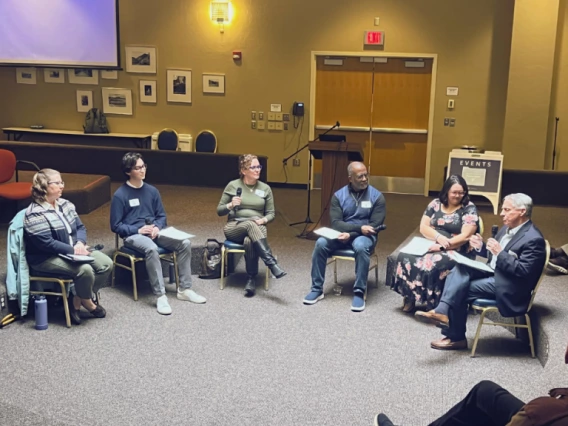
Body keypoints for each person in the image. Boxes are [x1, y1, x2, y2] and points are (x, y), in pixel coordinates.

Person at [415, 193, 546, 350]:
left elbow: (524, 272)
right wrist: (482, 247)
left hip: (511, 286)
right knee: (458, 269)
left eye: (506, 209)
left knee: (460, 287)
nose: (501, 213)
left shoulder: (533, 239)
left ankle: (455, 336)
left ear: (522, 211)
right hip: (496, 273)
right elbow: (494, 256)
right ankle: (443, 312)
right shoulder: (507, 228)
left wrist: (500, 252)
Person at [375, 343, 568, 425]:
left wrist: (500, 258)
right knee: (485, 392)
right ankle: (451, 326)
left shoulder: (540, 411)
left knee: (461, 282)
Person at [110, 152, 206, 315]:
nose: (142, 170)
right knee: (151, 249)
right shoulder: (120, 195)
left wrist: (157, 227)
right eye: (138, 168)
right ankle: (160, 295)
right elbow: (116, 225)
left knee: (185, 243)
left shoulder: (152, 191)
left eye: (143, 166)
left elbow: (161, 216)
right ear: (128, 171)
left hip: (155, 232)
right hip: (134, 235)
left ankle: (184, 289)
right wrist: (138, 230)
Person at [24, 169, 112, 325]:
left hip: (73, 250)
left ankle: (78, 298)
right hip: (46, 258)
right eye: (57, 183)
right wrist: (74, 250)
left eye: (62, 182)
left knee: (106, 264)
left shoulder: (66, 204)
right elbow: (47, 244)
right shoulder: (34, 213)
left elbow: (80, 228)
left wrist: (80, 243)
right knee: (84, 270)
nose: (62, 186)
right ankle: (88, 302)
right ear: (44, 186)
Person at [303, 161, 386, 312]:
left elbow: (374, 225)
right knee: (321, 243)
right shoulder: (338, 196)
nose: (364, 179)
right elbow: (336, 224)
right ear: (350, 178)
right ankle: (317, 289)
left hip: (365, 236)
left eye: (366, 175)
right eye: (360, 176)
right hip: (343, 234)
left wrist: (352, 233)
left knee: (360, 246)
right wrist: (358, 228)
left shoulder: (377, 197)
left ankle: (359, 292)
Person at [390, 175, 479, 313]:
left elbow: (466, 235)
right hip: (433, 241)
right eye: (454, 192)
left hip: (457, 248)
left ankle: (434, 304)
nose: (458, 196)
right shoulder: (435, 203)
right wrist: (438, 236)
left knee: (433, 263)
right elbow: (423, 227)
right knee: (404, 256)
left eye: (461, 192)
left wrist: (444, 245)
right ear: (446, 191)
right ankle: (410, 296)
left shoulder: (469, 208)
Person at [217, 154, 286, 297]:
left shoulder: (265, 188)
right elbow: (219, 211)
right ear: (243, 170)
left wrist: (263, 221)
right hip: (235, 226)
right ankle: (271, 262)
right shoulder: (233, 185)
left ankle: (251, 279)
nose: (257, 170)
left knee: (250, 240)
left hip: (258, 226)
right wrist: (230, 205)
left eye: (259, 166)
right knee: (249, 224)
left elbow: (271, 214)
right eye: (253, 167)